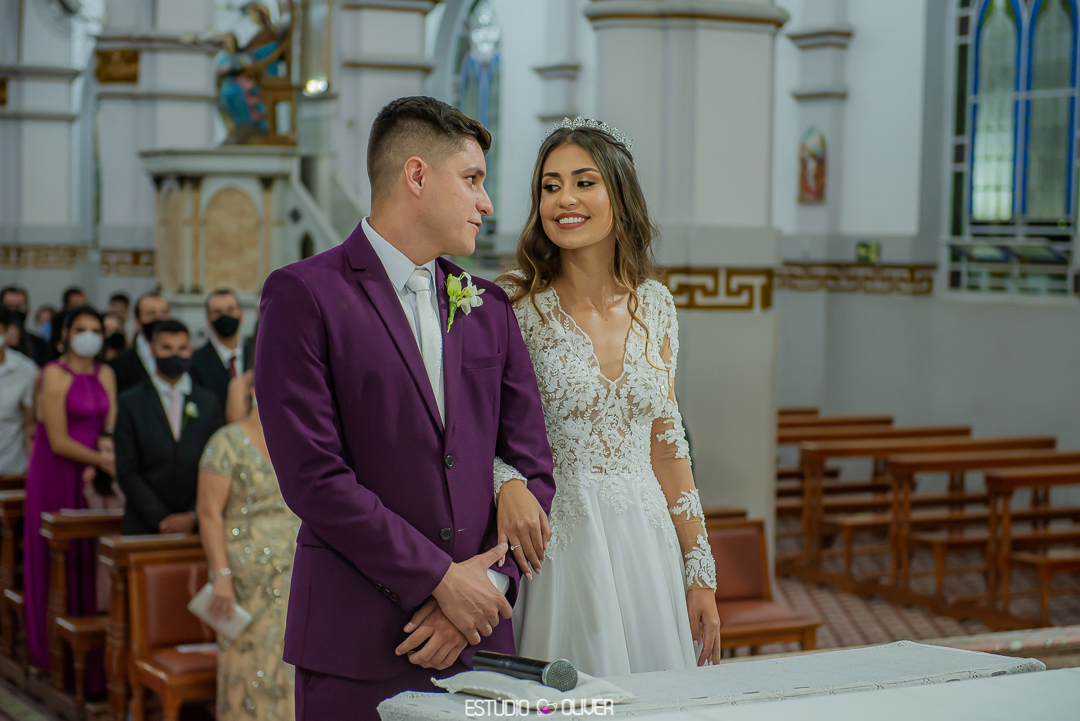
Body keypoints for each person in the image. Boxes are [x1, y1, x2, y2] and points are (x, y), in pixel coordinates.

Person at [255, 96, 555, 721]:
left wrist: (484, 592)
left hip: (480, 645)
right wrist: (440, 582)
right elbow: (314, 480)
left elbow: (531, 463)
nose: (487, 203)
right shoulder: (305, 295)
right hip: (358, 640)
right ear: (416, 176)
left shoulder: (487, 307)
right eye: (472, 180)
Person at [495, 119, 721, 676]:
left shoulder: (657, 306)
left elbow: (668, 449)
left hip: (647, 542)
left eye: (583, 182)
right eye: (550, 187)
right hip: (560, 543)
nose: (564, 199)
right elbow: (479, 432)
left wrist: (700, 572)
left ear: (619, 195)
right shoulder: (513, 307)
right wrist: (507, 482)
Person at [198, 367, 299, 721]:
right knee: (247, 658)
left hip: (296, 570)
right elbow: (209, 514)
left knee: (292, 660)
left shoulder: (298, 440)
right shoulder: (225, 441)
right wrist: (221, 575)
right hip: (245, 577)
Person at [23, 306, 116, 686]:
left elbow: (109, 425)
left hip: (93, 473)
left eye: (95, 329)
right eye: (81, 328)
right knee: (59, 559)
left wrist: (107, 455)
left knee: (91, 557)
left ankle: (92, 659)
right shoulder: (53, 376)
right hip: (57, 472)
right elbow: (58, 440)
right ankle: (53, 652)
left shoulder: (106, 372)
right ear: (65, 334)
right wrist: (104, 461)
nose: (89, 335)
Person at [114, 320, 224, 535]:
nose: (175, 355)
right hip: (144, 522)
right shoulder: (131, 401)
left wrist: (192, 514)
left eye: (182, 348)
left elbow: (216, 462)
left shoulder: (208, 402)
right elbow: (126, 469)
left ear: (190, 350)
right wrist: (161, 518)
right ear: (153, 349)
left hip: (198, 523)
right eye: (167, 348)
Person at [190, 289, 253, 413]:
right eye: (217, 312)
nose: (224, 316)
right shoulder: (196, 361)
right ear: (208, 319)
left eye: (230, 310)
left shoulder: (256, 354)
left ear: (241, 314)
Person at [0, 306, 38, 475]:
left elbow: (30, 424)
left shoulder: (26, 370)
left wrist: (33, 466)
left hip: (11, 466)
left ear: (6, 330)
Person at [109, 291, 171, 393]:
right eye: (151, 314)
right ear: (137, 323)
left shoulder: (185, 358)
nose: (159, 318)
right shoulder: (118, 365)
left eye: (164, 313)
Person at [2, 286, 50, 367]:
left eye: (19, 307)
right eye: (9, 306)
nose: (14, 311)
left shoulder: (40, 344)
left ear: (28, 309)